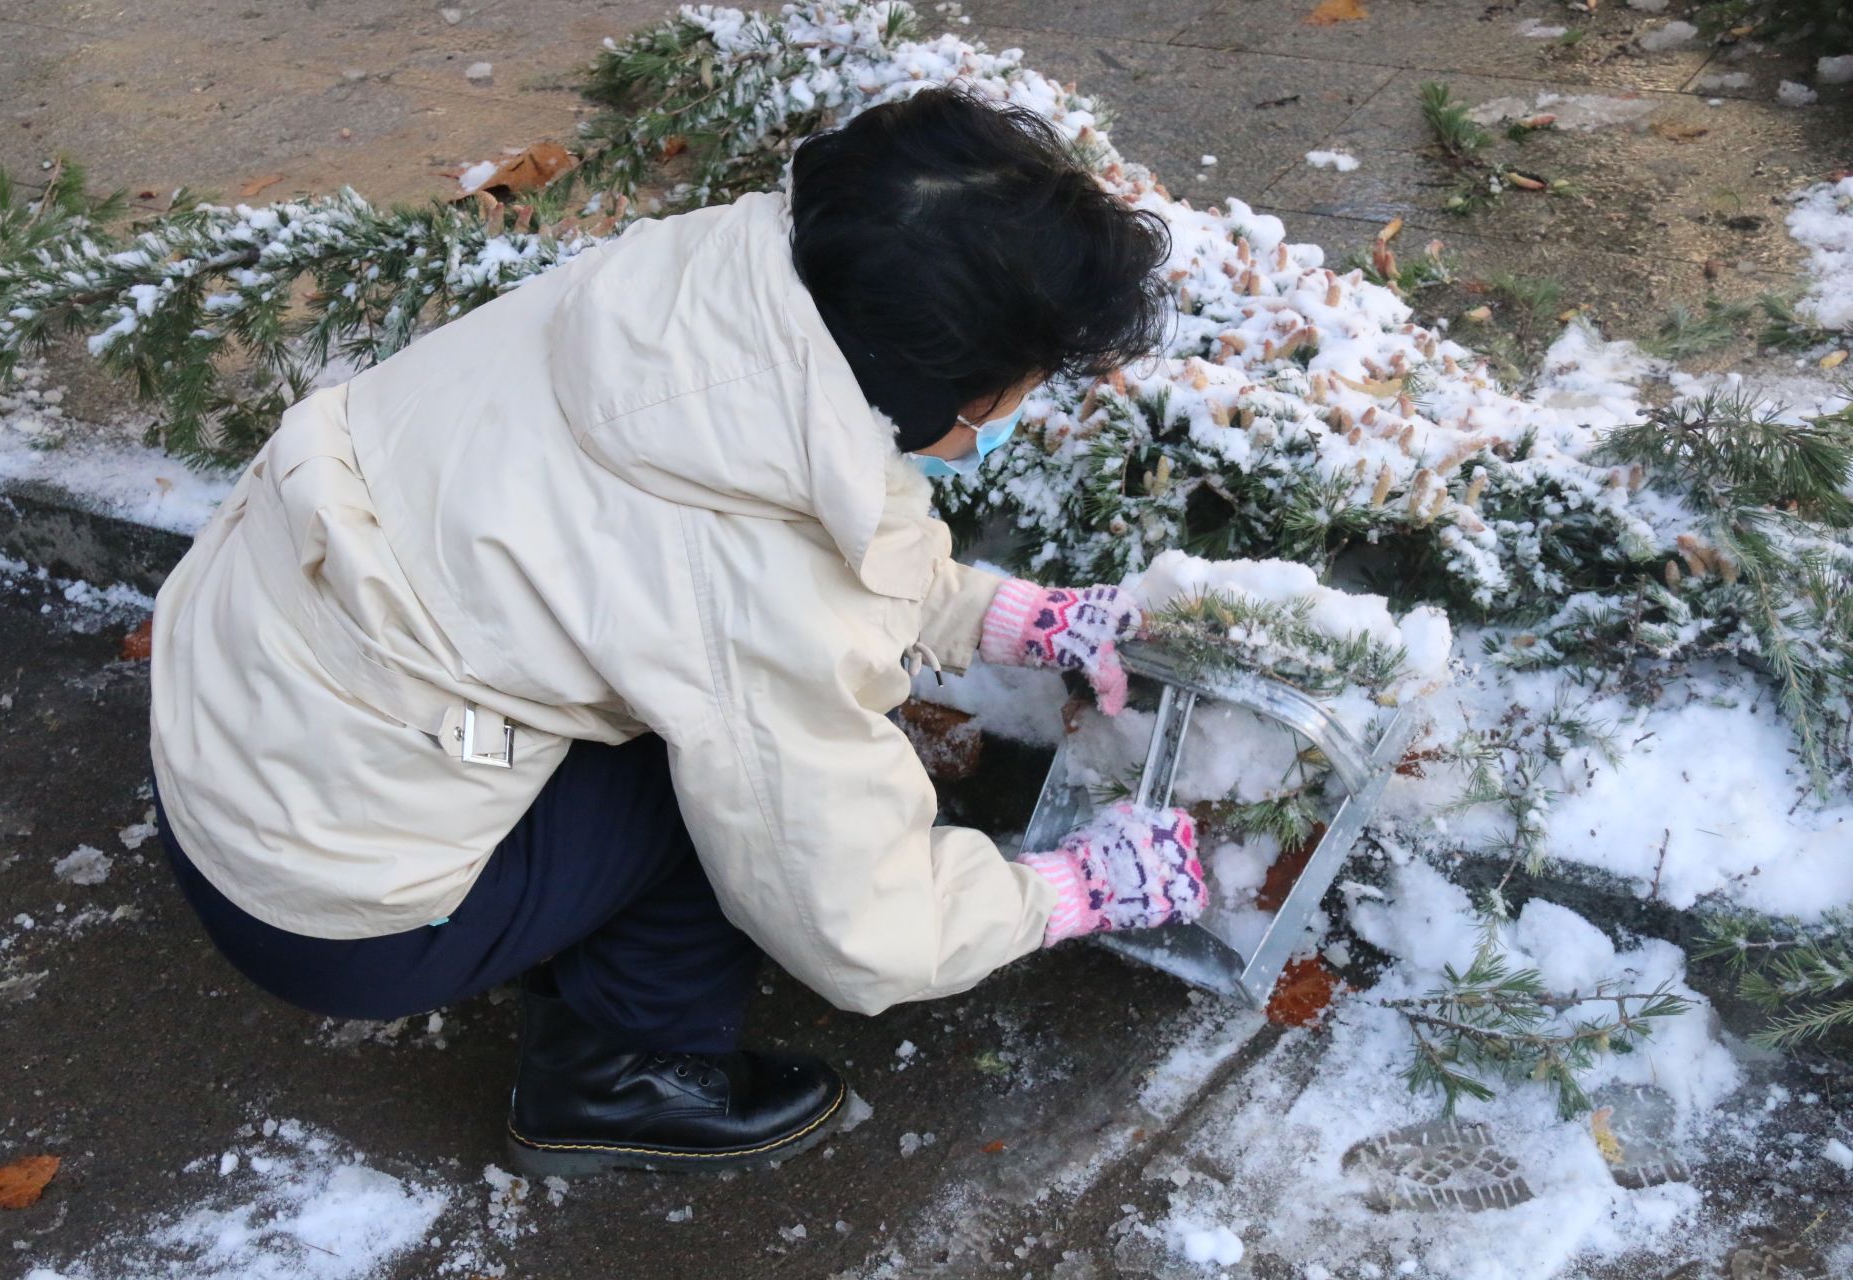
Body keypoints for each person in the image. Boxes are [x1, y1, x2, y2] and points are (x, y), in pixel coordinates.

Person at [147, 85, 1209, 1177]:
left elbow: (761, 522)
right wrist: (1068, 890)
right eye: (1011, 396)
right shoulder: (751, 580)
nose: (1012, 417)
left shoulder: (696, 302)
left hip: (237, 721)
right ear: (929, 386)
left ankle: (562, 927)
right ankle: (619, 1078)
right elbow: (854, 914)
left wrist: (997, 615)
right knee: (725, 792)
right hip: (322, 901)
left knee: (716, 725)